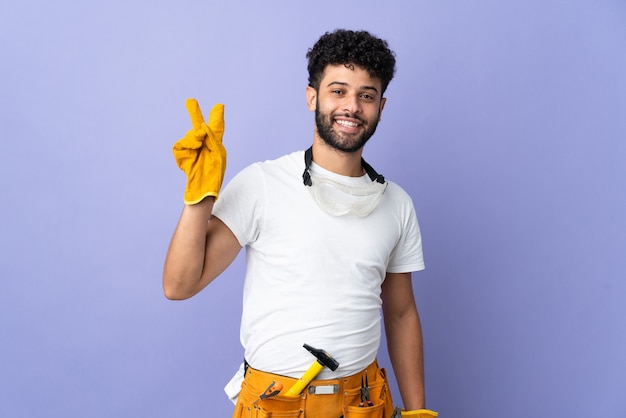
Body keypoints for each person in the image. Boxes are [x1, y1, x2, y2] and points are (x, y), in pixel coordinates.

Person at [163, 29, 438, 418]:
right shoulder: (262, 183)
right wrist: (199, 200)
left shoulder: (396, 203)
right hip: (275, 404)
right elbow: (179, 285)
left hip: (363, 404)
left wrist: (416, 410)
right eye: (338, 91)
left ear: (381, 105)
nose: (352, 106)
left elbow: (401, 313)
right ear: (313, 97)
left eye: (366, 95)